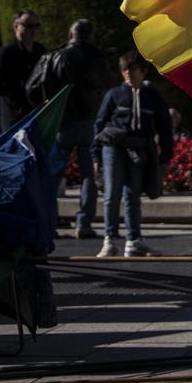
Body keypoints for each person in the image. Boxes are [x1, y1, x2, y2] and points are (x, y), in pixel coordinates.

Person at [38, 20, 115, 240]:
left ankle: (48, 223)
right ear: (90, 36)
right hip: (89, 121)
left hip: (62, 121)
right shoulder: (98, 58)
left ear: (70, 34)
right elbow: (110, 84)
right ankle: (84, 223)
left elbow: (39, 85)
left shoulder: (57, 56)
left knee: (52, 176)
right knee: (88, 175)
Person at [93, 51, 173, 258]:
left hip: (138, 150)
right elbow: (99, 125)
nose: (127, 74)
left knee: (133, 195)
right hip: (114, 148)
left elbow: (165, 127)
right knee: (111, 194)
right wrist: (96, 156)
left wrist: (165, 158)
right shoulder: (114, 94)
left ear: (143, 71)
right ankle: (109, 239)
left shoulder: (151, 96)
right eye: (124, 70)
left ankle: (134, 240)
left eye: (132, 69)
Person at [0, 10, 47, 132]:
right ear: (16, 26)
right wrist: (20, 94)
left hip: (38, 115)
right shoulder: (6, 53)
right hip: (15, 118)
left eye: (36, 26)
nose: (34, 30)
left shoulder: (40, 51)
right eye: (29, 26)